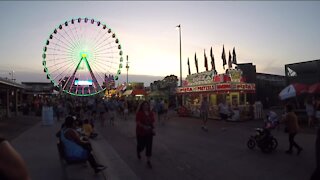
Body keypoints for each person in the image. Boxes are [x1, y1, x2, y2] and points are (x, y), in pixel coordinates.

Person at [136, 101, 155, 168]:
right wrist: (144, 127)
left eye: (147, 105)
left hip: (149, 132)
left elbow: (153, 121)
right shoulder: (139, 113)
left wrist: (153, 128)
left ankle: (148, 161)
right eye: (144, 105)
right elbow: (138, 122)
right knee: (141, 145)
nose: (146, 106)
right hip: (141, 132)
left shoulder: (151, 113)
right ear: (142, 106)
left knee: (149, 146)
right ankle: (138, 150)